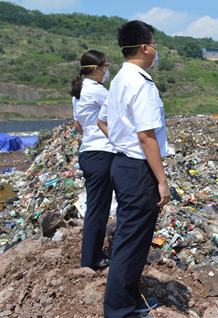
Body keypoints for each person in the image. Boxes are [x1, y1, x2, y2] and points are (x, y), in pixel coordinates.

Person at [98, 20, 171, 318]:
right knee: (132, 240)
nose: (156, 50)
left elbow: (103, 121)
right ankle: (118, 309)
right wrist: (162, 180)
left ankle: (128, 300)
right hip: (137, 168)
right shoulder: (141, 83)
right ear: (144, 47)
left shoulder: (118, 79)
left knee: (135, 237)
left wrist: (120, 142)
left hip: (122, 163)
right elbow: (146, 135)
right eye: (154, 44)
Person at [69, 50, 115, 270]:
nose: (107, 70)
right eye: (105, 66)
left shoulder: (79, 91)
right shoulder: (98, 91)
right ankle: (91, 260)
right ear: (96, 68)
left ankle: (95, 253)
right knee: (98, 209)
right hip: (101, 154)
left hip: (88, 152)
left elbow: (78, 125)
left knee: (97, 207)